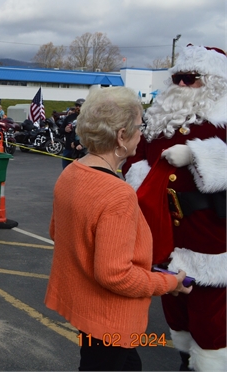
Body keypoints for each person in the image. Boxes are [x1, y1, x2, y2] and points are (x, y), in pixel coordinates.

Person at [45, 86, 191, 371]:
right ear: (121, 136)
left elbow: (57, 231)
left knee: (121, 364)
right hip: (109, 319)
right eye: (140, 126)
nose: (143, 133)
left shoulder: (72, 173)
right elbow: (115, 275)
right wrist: (169, 283)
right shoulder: (117, 193)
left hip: (87, 312)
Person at [123, 45, 227, 371]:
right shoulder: (158, 120)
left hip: (206, 233)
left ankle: (210, 363)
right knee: (175, 304)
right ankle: (186, 359)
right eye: (177, 78)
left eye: (190, 79)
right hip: (162, 230)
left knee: (209, 311)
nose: (181, 85)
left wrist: (198, 154)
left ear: (214, 82)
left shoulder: (221, 120)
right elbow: (135, 157)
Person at [59, 98, 85, 169]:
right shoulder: (69, 117)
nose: (78, 107)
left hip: (80, 149)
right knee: (66, 170)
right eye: (77, 105)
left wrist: (81, 145)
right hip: (68, 148)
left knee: (78, 171)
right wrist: (65, 129)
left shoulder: (87, 119)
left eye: (80, 106)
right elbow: (60, 130)